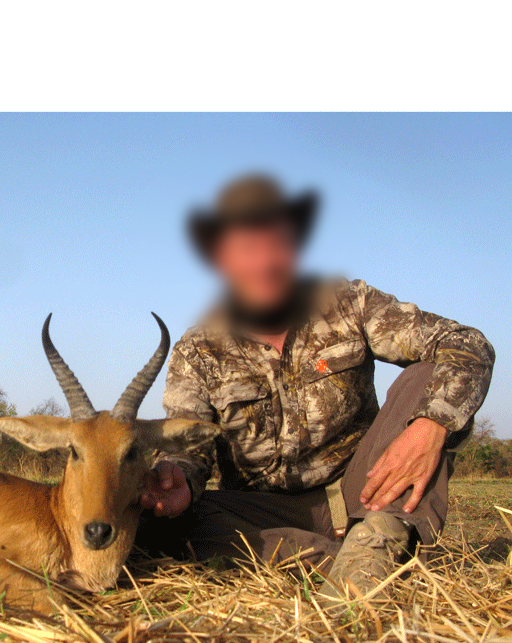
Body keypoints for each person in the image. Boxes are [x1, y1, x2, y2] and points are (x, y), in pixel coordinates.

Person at [136, 174, 495, 604]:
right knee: (164, 525)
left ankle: (370, 552)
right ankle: (338, 561)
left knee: (428, 376)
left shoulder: (350, 302)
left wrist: (431, 426)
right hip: (263, 512)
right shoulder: (198, 350)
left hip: (367, 491)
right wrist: (181, 480)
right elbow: (188, 445)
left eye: (278, 243)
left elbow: (467, 344)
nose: (266, 262)